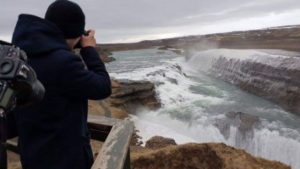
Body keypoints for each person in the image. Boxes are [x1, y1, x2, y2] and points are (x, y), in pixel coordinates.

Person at [11, 0, 112, 169]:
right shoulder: (63, 62)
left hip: (33, 156)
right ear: (75, 33)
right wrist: (88, 49)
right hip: (65, 159)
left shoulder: (22, 56)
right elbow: (103, 87)